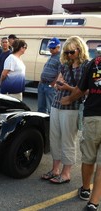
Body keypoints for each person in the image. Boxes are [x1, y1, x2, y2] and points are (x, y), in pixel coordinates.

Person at [41, 36, 89, 185]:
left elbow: (87, 90)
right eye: (67, 52)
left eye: (72, 52)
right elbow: (58, 82)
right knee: (54, 138)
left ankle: (66, 172)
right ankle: (55, 169)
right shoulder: (65, 64)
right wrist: (57, 85)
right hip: (57, 103)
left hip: (72, 107)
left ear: (80, 50)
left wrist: (68, 88)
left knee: (68, 140)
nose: (69, 55)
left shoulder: (86, 66)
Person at [60, 54, 101, 211]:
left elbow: (80, 89)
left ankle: (85, 190)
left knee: (89, 157)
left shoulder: (94, 63)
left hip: (93, 116)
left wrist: (69, 99)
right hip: (93, 116)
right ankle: (93, 203)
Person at [37, 37, 61, 114]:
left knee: (51, 108)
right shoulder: (51, 56)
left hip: (50, 86)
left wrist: (53, 84)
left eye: (53, 48)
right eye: (50, 48)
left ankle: (51, 125)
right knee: (41, 107)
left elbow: (60, 73)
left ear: (58, 47)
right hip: (43, 84)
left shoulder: (60, 58)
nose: (51, 49)